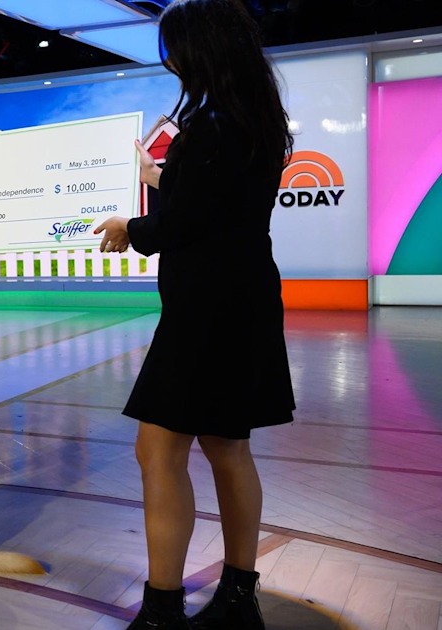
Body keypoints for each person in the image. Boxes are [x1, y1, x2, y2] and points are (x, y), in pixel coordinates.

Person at [94, 1, 296, 627]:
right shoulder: (252, 118)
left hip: (205, 311)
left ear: (200, 49)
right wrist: (161, 175)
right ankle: (238, 598)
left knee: (157, 450)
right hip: (244, 301)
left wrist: (131, 226)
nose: (171, 63)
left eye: (175, 50)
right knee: (228, 448)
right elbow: (217, 205)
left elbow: (186, 223)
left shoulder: (211, 125)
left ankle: (161, 611)